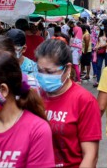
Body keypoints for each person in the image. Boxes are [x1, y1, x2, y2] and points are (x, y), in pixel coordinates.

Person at [35, 39, 101, 167]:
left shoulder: (84, 101)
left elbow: (90, 155)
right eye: (40, 70)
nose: (43, 76)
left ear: (68, 68)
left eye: (49, 72)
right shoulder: (35, 96)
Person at [95, 19, 107, 87]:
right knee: (98, 66)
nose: (101, 26)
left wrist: (100, 46)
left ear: (106, 25)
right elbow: (98, 41)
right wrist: (97, 46)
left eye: (103, 25)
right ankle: (98, 81)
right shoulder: (100, 32)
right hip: (100, 52)